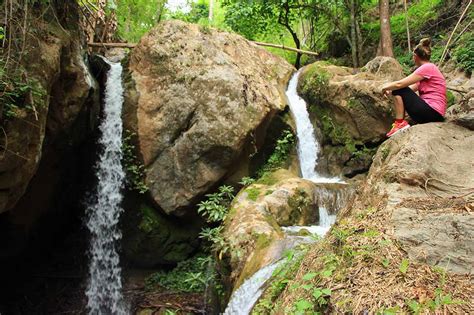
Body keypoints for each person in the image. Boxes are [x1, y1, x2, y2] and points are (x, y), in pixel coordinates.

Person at [381, 38, 447, 137]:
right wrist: (391, 90)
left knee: (398, 88)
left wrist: (384, 87)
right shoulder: (428, 70)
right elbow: (408, 90)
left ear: (415, 56)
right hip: (433, 114)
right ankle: (400, 124)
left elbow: (400, 85)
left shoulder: (427, 68)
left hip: (432, 112)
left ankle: (399, 123)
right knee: (398, 90)